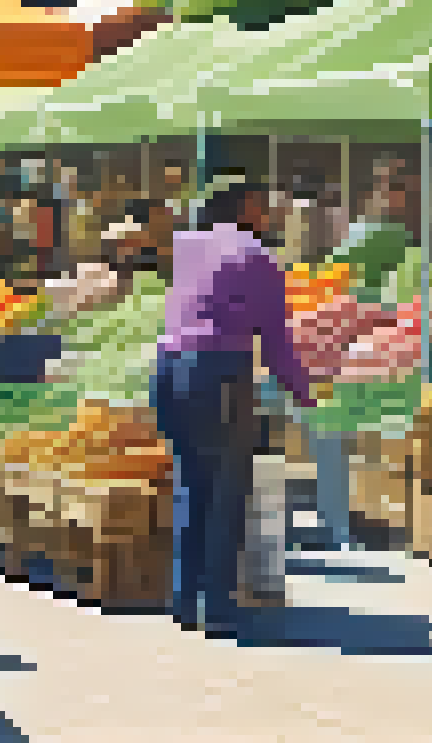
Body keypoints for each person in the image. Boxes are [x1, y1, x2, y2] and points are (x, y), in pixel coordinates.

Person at [154, 179, 319, 635]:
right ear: (246, 208)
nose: (269, 213)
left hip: (167, 371)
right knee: (227, 489)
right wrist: (306, 394)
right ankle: (219, 604)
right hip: (220, 374)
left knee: (191, 482)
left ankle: (185, 598)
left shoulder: (185, 246)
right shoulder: (260, 258)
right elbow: (277, 343)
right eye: (263, 205)